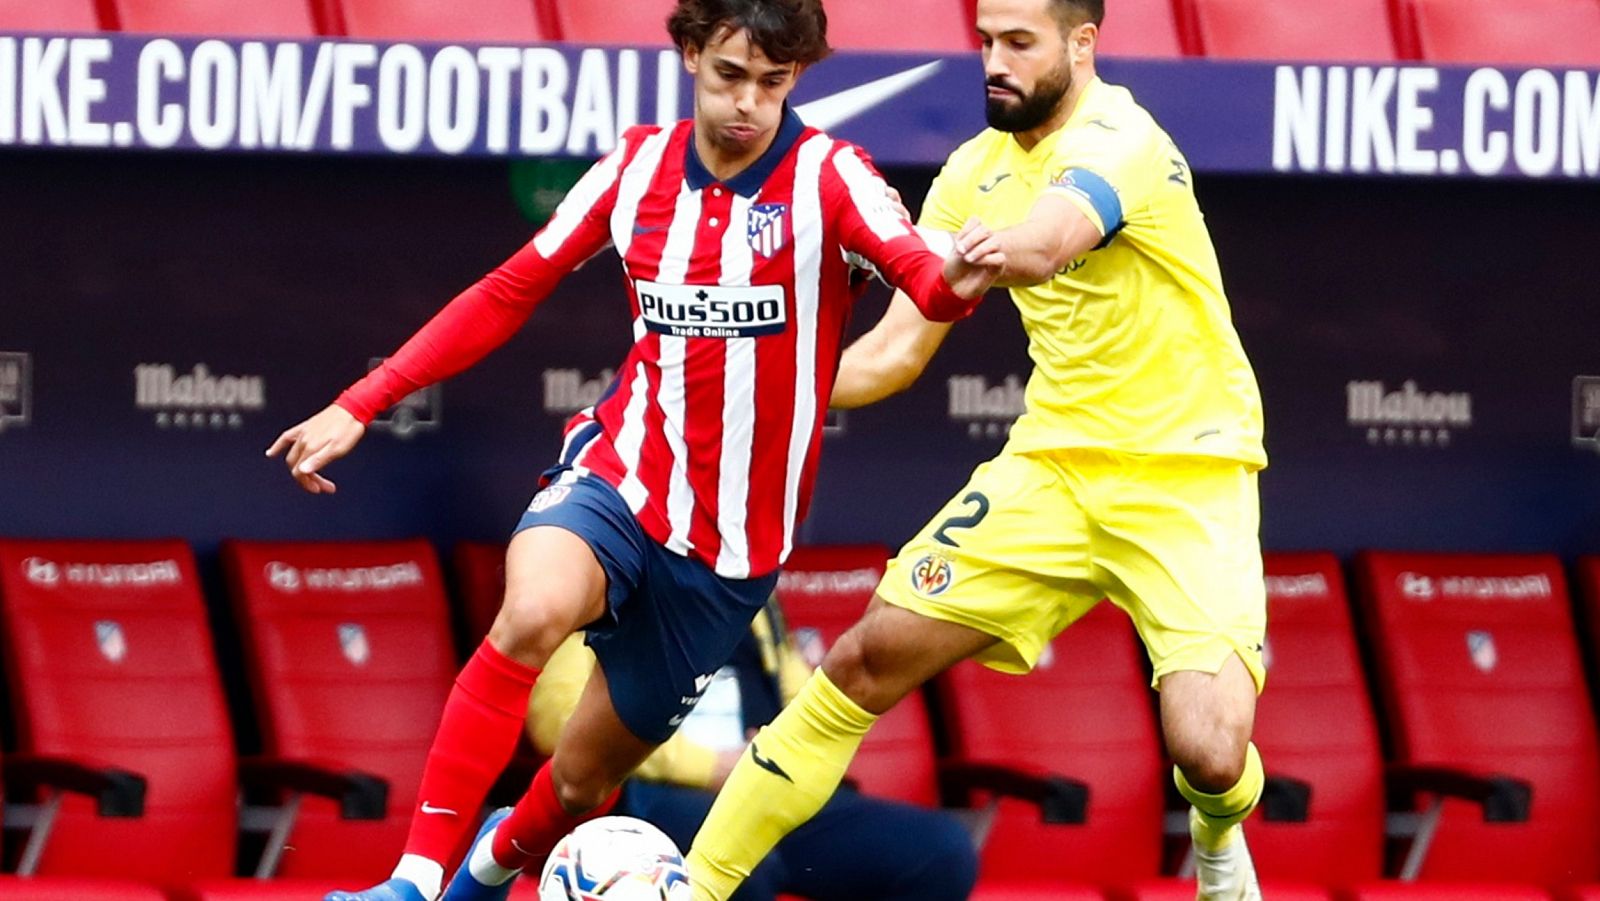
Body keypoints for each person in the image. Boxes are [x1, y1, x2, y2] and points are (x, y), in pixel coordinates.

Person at [264, 0, 1005, 898]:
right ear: (690, 52)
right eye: (730, 75)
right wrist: (364, 400)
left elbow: (921, 278)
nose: (749, 105)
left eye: (773, 84)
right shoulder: (638, 166)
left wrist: (961, 277)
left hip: (731, 551)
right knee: (531, 613)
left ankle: (488, 866)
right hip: (621, 475)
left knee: (579, 783)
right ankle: (415, 882)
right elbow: (508, 289)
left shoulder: (831, 178)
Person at [685, 1, 1269, 900]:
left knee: (1210, 749)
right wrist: (765, 386)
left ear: (1082, 44)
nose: (994, 62)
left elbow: (1052, 240)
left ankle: (1221, 837)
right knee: (864, 658)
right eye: (987, 42)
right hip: (1053, 469)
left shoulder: (1126, 139)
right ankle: (696, 886)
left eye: (1019, 44)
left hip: (1187, 472)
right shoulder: (971, 172)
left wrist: (987, 251)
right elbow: (895, 350)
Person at [525, 596, 978, 901]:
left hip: (764, 781)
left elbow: (798, 688)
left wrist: (787, 740)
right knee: (746, 868)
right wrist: (709, 766)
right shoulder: (607, 564)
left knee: (942, 853)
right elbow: (557, 720)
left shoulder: (750, 577)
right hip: (655, 789)